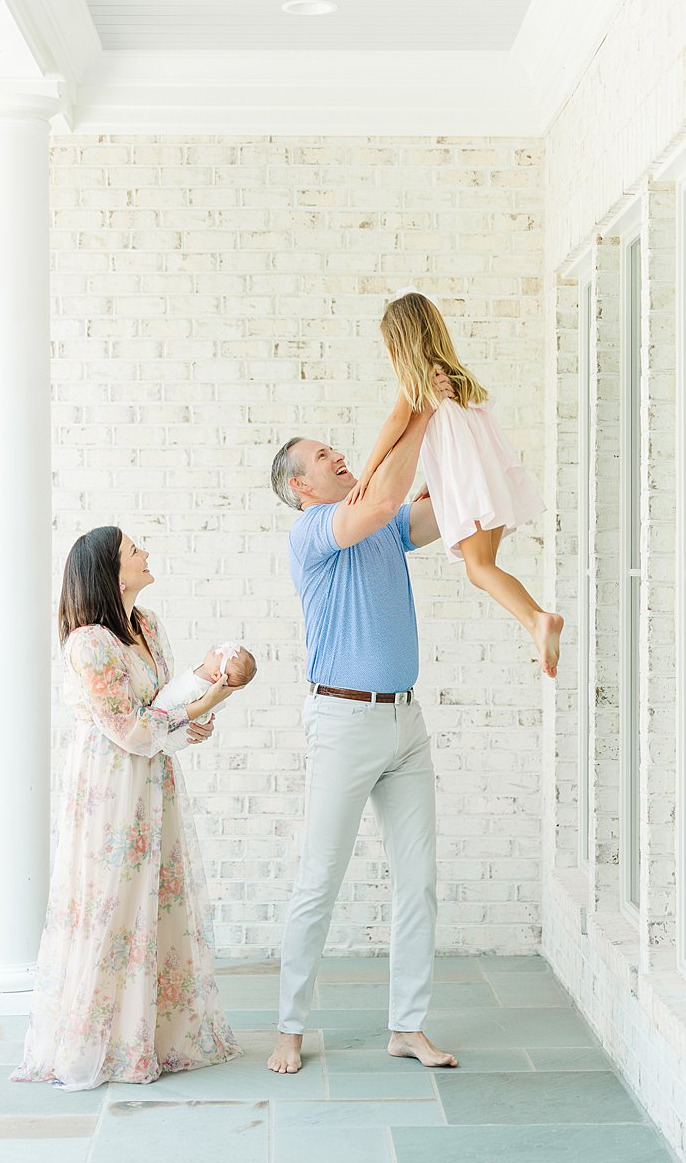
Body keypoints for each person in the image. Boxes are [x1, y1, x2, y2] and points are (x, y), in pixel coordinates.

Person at [267, 367, 459, 1076]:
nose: (336, 455)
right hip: (343, 723)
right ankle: (289, 1027)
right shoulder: (319, 531)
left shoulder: (379, 527)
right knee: (320, 877)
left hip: (404, 724)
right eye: (321, 456)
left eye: (334, 448)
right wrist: (413, 397)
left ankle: (407, 1025)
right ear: (300, 488)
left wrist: (438, 419)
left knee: (420, 879)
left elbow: (429, 513)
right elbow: (380, 502)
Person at [11, 526, 241, 1090]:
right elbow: (128, 729)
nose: (146, 553)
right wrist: (205, 704)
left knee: (156, 897)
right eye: (134, 550)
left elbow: (157, 704)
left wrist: (190, 712)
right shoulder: (89, 642)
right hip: (111, 785)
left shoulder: (148, 625)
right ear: (110, 572)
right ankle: (103, 1041)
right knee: (112, 903)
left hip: (152, 778)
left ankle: (155, 1035)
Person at [346, 287, 562, 677]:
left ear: (401, 343)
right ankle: (535, 619)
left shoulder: (420, 378)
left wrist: (369, 473)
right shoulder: (458, 379)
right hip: (487, 479)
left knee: (478, 568)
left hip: (471, 484)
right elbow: (459, 440)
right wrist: (437, 480)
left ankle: (537, 620)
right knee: (484, 564)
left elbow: (395, 424)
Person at [156, 642, 257, 752]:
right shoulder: (205, 670)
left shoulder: (199, 690)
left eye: (215, 653)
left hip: (163, 740)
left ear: (216, 675)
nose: (213, 647)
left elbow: (199, 719)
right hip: (152, 724)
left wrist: (204, 718)